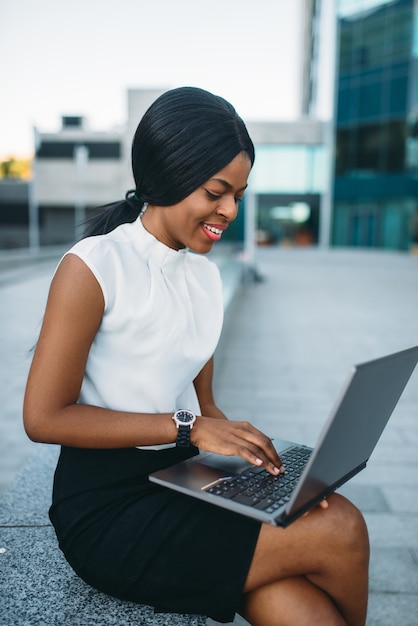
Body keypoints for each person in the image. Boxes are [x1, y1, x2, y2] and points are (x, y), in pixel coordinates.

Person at [23, 87, 369, 626]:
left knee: (301, 605)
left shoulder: (204, 278)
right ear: (170, 174)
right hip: (109, 508)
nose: (230, 210)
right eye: (216, 191)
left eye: (239, 194)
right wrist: (190, 429)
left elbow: (204, 407)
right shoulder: (94, 266)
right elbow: (43, 418)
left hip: (185, 477)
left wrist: (267, 473)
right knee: (341, 528)